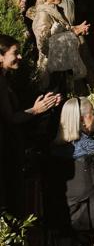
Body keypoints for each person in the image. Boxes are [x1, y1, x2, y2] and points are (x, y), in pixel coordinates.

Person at [0, 34, 61, 212]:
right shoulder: (1, 81)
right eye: (15, 53)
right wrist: (36, 110)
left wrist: (40, 106)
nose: (20, 57)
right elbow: (10, 117)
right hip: (6, 149)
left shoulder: (7, 78)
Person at [31, 0, 90, 92]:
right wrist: (73, 34)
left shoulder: (57, 9)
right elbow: (44, 46)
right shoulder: (43, 14)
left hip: (65, 68)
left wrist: (75, 29)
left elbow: (61, 30)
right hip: (54, 74)